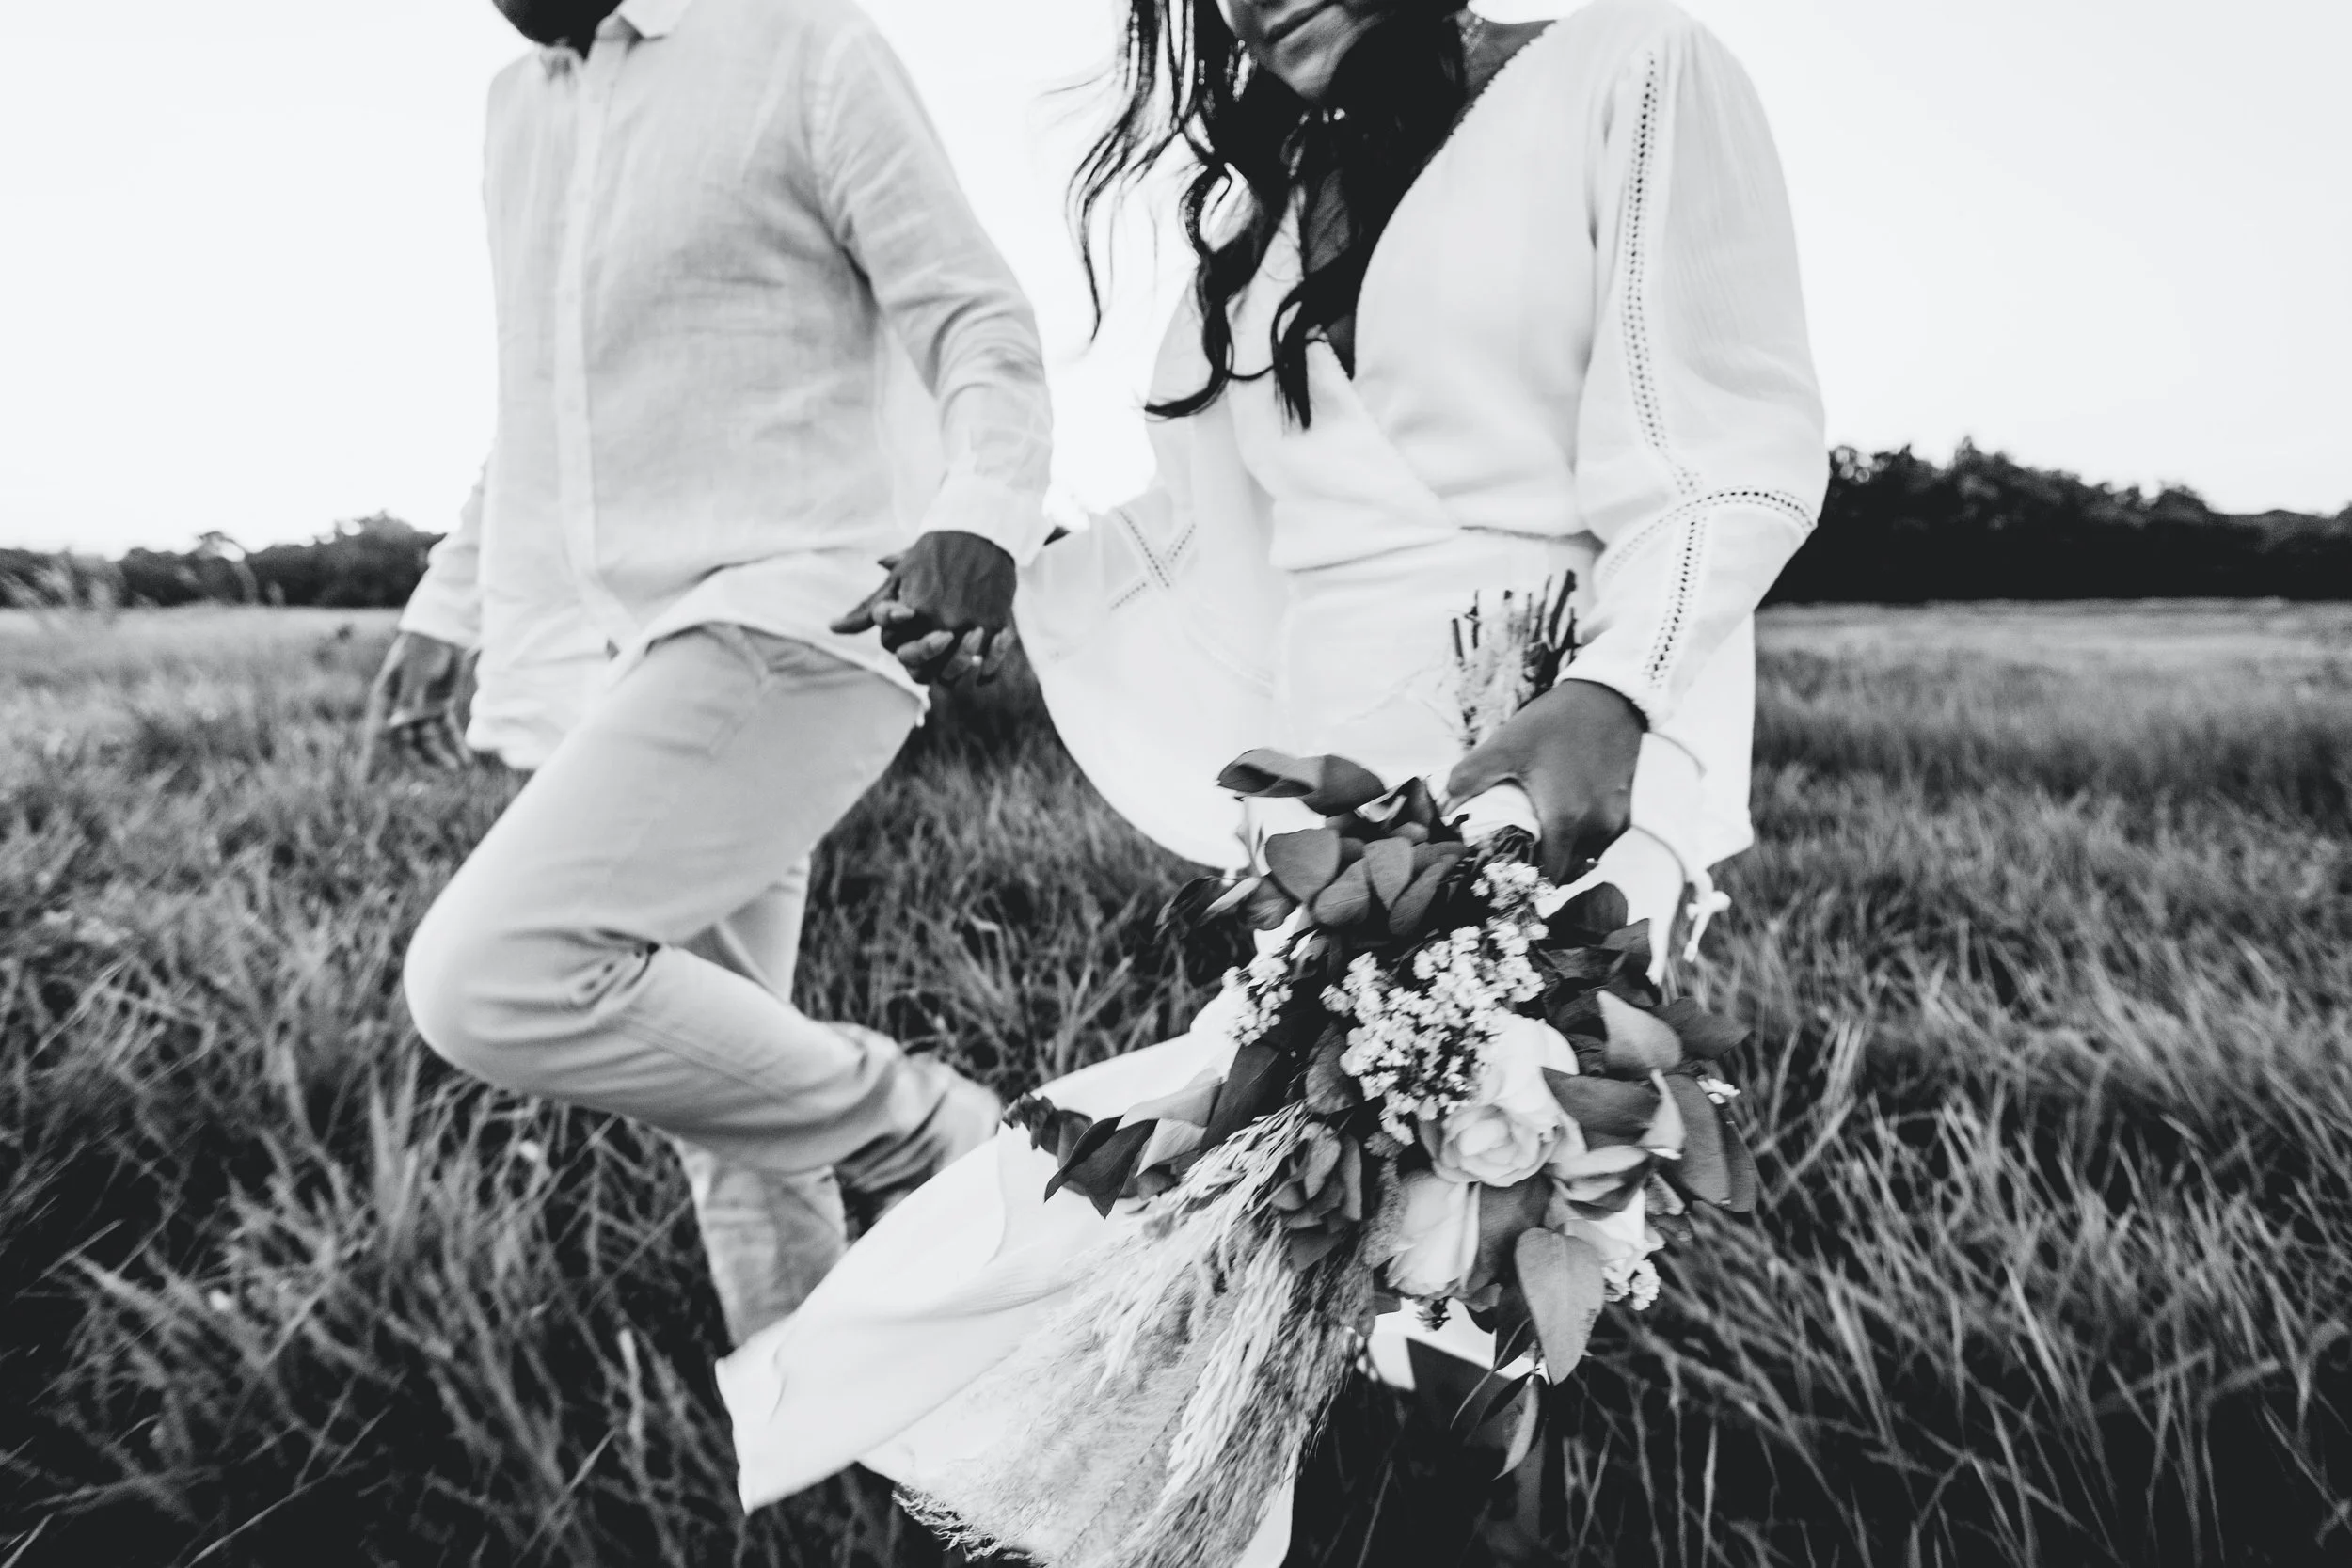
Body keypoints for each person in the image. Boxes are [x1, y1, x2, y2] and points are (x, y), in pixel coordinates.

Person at [722, 0, 1827, 1560]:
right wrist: (1010, 575)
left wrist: (1614, 684)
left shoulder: (1628, 67)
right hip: (1332, 816)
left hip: (1551, 752)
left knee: (1463, 1251)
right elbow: (1208, 527)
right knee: (1317, 1238)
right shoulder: (1265, 197)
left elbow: (1725, 447)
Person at [392, 0, 1055, 1350]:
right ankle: (821, 1428)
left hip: (794, 610)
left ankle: (946, 1133)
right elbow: (542, 400)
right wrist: (448, 595)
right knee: (727, 1088)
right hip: (611, 649)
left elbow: (971, 311)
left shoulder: (803, 46)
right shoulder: (517, 108)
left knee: (490, 972)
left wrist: (983, 507)